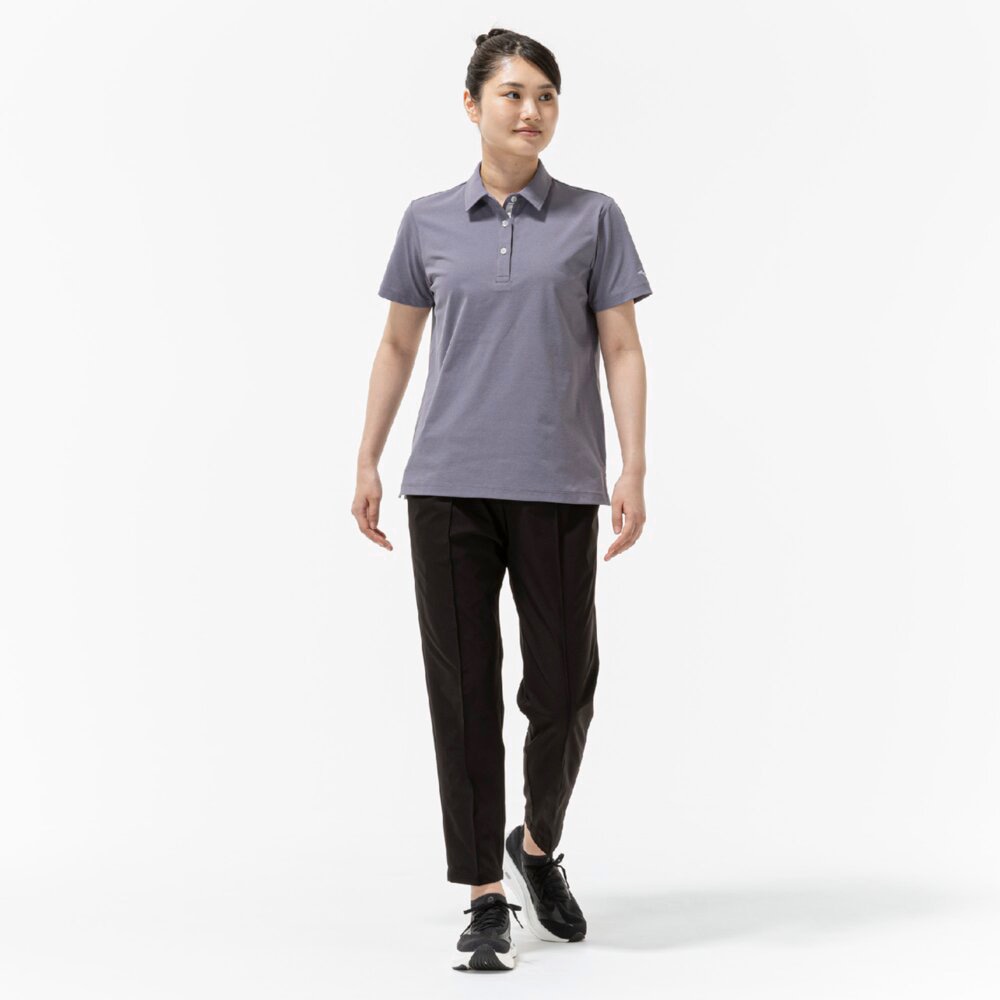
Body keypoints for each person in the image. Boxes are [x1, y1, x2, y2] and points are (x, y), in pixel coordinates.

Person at [353, 27, 653, 973]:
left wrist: (633, 467)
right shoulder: (427, 221)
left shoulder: (594, 218)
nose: (532, 111)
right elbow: (397, 345)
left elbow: (621, 347)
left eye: (546, 96)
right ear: (473, 104)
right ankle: (485, 895)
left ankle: (535, 843)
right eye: (514, 93)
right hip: (446, 486)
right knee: (465, 693)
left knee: (563, 687)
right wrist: (368, 458)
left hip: (558, 482)